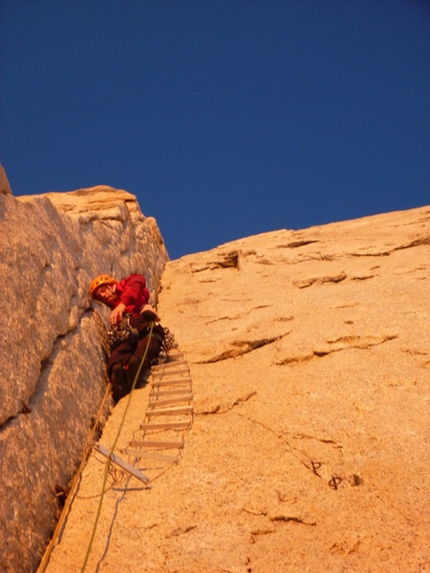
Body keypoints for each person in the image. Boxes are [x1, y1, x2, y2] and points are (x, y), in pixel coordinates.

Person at [89, 273, 165, 404]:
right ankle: (119, 375)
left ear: (111, 286)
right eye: (99, 296)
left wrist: (122, 304)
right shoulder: (112, 308)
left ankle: (134, 365)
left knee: (147, 345)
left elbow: (138, 280)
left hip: (144, 323)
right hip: (127, 331)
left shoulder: (125, 285)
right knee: (116, 357)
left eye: (102, 290)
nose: (102, 296)